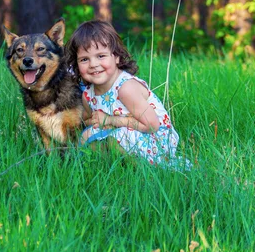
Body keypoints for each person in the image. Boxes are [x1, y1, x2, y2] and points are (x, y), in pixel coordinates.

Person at [66, 20, 190, 169]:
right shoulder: (88, 95)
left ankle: (144, 171)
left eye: (101, 56)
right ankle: (106, 169)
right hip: (120, 130)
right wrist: (96, 122)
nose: (93, 64)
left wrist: (111, 120)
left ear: (116, 56)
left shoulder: (126, 88)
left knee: (114, 140)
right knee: (86, 136)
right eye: (84, 59)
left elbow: (152, 125)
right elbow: (86, 120)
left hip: (154, 137)